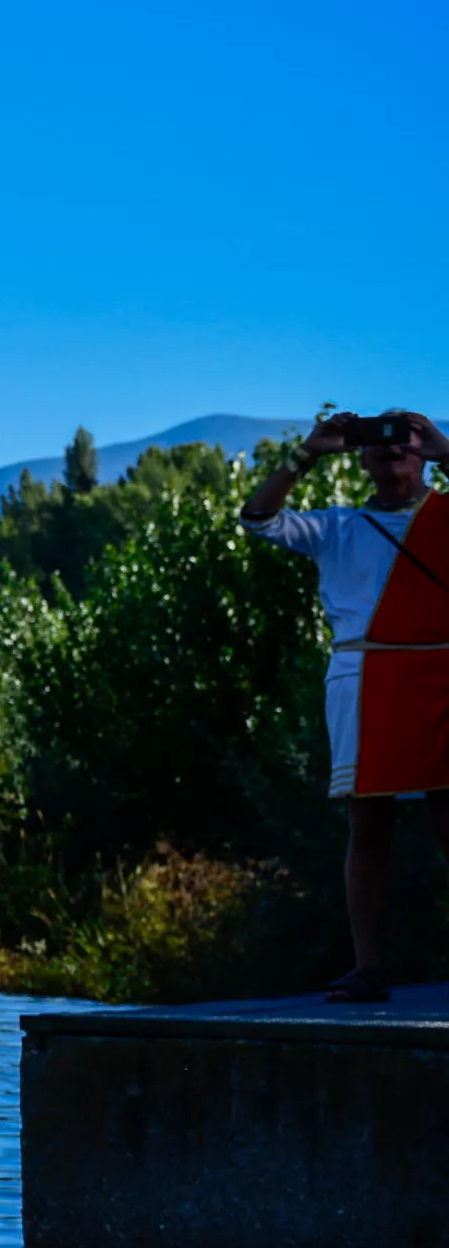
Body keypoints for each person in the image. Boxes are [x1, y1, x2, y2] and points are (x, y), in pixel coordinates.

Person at [241, 410, 449, 1002]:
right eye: (378, 445)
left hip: (442, 673)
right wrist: (305, 454)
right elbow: (257, 520)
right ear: (360, 459)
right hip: (364, 678)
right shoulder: (338, 526)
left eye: (405, 442)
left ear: (424, 456)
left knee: (448, 819)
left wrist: (445, 447)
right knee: (370, 823)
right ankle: (369, 967)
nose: (393, 452)